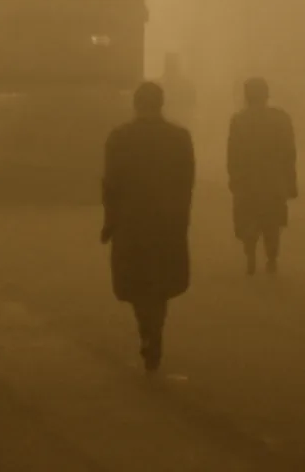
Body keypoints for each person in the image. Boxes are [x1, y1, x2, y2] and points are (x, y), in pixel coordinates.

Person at [101, 81, 194, 374]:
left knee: (138, 283)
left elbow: (111, 184)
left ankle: (146, 330)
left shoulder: (119, 137)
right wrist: (182, 218)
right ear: (161, 103)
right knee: (161, 282)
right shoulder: (180, 137)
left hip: (132, 222)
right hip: (167, 223)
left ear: (136, 104)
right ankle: (157, 329)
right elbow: (186, 182)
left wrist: (110, 221)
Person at [227, 78, 298, 275]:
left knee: (249, 219)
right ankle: (272, 258)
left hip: (248, 182)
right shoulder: (281, 119)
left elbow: (233, 154)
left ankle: (250, 254)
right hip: (274, 181)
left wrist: (234, 179)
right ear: (266, 95)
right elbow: (289, 153)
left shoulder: (239, 121)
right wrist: (290, 181)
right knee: (272, 222)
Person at [161, 52, 196, 129]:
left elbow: (192, 107)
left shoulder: (160, 85)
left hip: (180, 124)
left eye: (172, 64)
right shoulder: (187, 85)